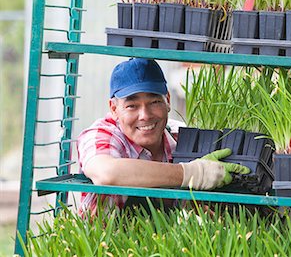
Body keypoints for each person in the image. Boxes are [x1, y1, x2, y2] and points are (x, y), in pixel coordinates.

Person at [77, 58, 250, 215]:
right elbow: (107, 173)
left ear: (168, 100)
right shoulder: (102, 133)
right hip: (106, 245)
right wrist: (192, 173)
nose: (145, 115)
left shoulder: (180, 135)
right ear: (114, 109)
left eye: (154, 102)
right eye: (132, 106)